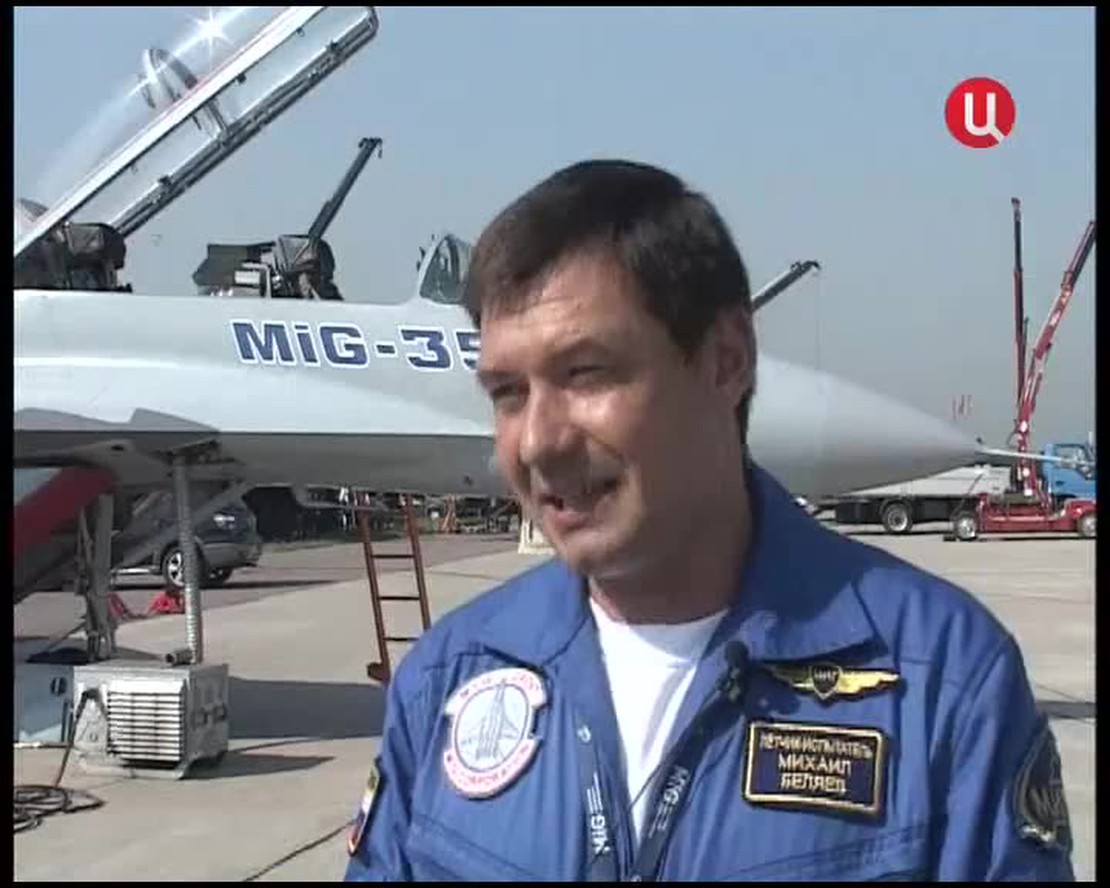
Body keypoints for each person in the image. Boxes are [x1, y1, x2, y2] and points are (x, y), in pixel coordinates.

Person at [344, 160, 1074, 881]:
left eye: (586, 373)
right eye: (507, 392)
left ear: (726, 361)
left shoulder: (939, 681)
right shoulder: (447, 679)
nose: (537, 442)